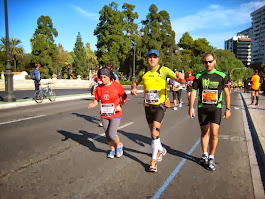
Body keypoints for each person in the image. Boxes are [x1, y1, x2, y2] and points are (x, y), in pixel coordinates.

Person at [131, 49, 185, 172]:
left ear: (158, 59)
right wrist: (134, 88)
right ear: (147, 59)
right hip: (147, 106)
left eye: (154, 57)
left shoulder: (164, 70)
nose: (152, 59)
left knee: (155, 132)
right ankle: (160, 149)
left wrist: (181, 78)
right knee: (153, 134)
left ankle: (153, 161)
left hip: (160, 106)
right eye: (150, 57)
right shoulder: (143, 71)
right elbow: (135, 82)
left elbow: (181, 82)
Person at [189, 52, 231, 171]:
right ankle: (204, 154)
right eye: (205, 62)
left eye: (210, 61)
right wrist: (190, 107)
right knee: (204, 132)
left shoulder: (221, 76)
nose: (208, 64)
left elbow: (227, 93)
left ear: (214, 61)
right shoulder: (199, 76)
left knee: (214, 133)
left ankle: (211, 157)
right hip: (203, 108)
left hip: (216, 108)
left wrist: (228, 108)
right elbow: (193, 92)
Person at [88, 67, 128, 158]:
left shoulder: (116, 86)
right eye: (101, 77)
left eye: (105, 77)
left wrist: (120, 105)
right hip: (104, 114)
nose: (102, 79)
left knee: (112, 134)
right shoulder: (99, 88)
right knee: (107, 134)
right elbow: (96, 100)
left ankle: (118, 146)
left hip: (115, 113)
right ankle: (112, 149)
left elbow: (125, 97)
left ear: (109, 76)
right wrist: (93, 104)